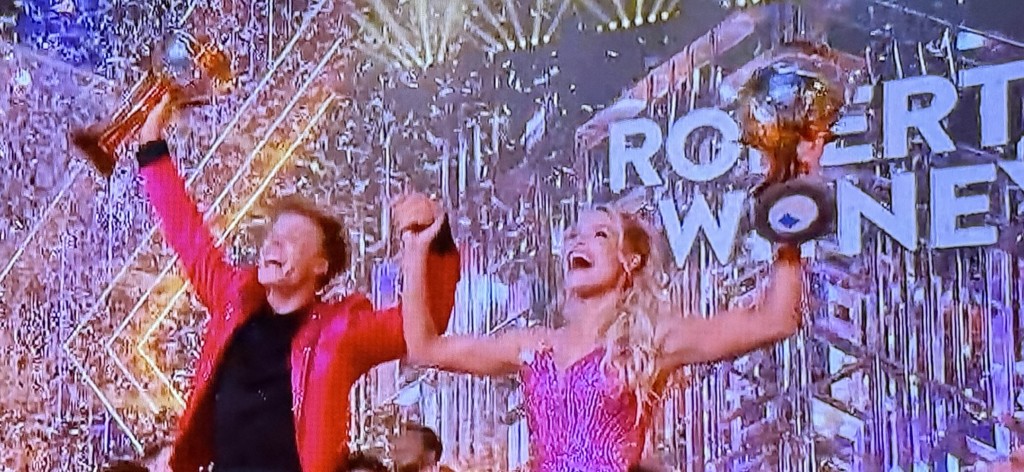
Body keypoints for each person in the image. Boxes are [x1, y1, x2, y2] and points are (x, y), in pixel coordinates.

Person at [398, 140, 824, 472]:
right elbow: (424, 348)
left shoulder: (652, 341)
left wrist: (791, 212)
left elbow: (776, 319)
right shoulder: (535, 347)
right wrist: (415, 251)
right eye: (573, 237)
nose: (578, 243)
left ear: (630, 260)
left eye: (599, 235)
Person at [135, 96, 461, 472]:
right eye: (271, 235)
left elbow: (425, 322)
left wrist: (435, 240)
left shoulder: (341, 332)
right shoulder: (233, 298)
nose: (272, 243)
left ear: (321, 266)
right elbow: (188, 237)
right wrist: (151, 147)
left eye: (291, 237)